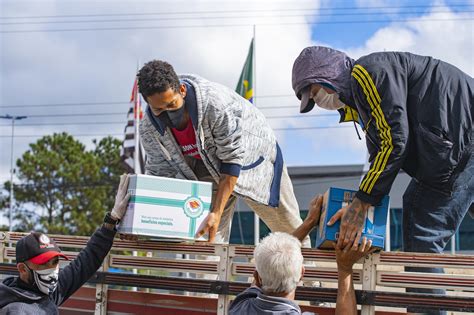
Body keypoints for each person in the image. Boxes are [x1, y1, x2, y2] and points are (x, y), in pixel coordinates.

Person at [292, 46, 473, 314]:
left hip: (460, 142)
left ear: (327, 76)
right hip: (460, 140)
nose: (318, 102)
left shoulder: (366, 73)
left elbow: (394, 143)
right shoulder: (367, 100)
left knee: (422, 228)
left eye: (315, 93)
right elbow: (382, 155)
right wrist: (363, 204)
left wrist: (361, 203)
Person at [137, 60, 310, 247]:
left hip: (255, 158)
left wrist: (217, 212)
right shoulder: (148, 128)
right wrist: (139, 224)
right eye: (158, 109)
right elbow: (158, 174)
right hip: (205, 165)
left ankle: (311, 274)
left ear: (182, 90)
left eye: (171, 105)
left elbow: (231, 159)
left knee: (289, 231)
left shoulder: (215, 104)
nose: (167, 113)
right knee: (205, 236)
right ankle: (211, 274)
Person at [0, 175, 131, 314]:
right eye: (43, 264)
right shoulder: (17, 310)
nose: (52, 271)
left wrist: (112, 219)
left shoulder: (44, 293)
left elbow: (85, 262)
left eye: (55, 262)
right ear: (23, 269)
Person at [229, 195, 374, 315]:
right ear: (302, 274)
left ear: (256, 278)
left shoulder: (240, 307)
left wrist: (309, 223)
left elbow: (261, 275)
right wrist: (345, 269)